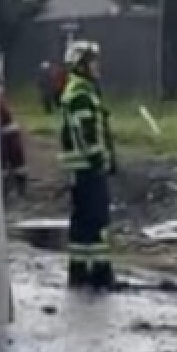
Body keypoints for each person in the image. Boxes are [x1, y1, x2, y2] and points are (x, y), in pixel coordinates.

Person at [55, 41, 116, 290]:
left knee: (82, 223)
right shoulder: (81, 92)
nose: (97, 66)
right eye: (92, 61)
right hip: (88, 169)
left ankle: (80, 270)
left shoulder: (80, 89)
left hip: (81, 170)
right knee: (97, 220)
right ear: (81, 65)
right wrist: (98, 160)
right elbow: (86, 132)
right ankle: (100, 272)